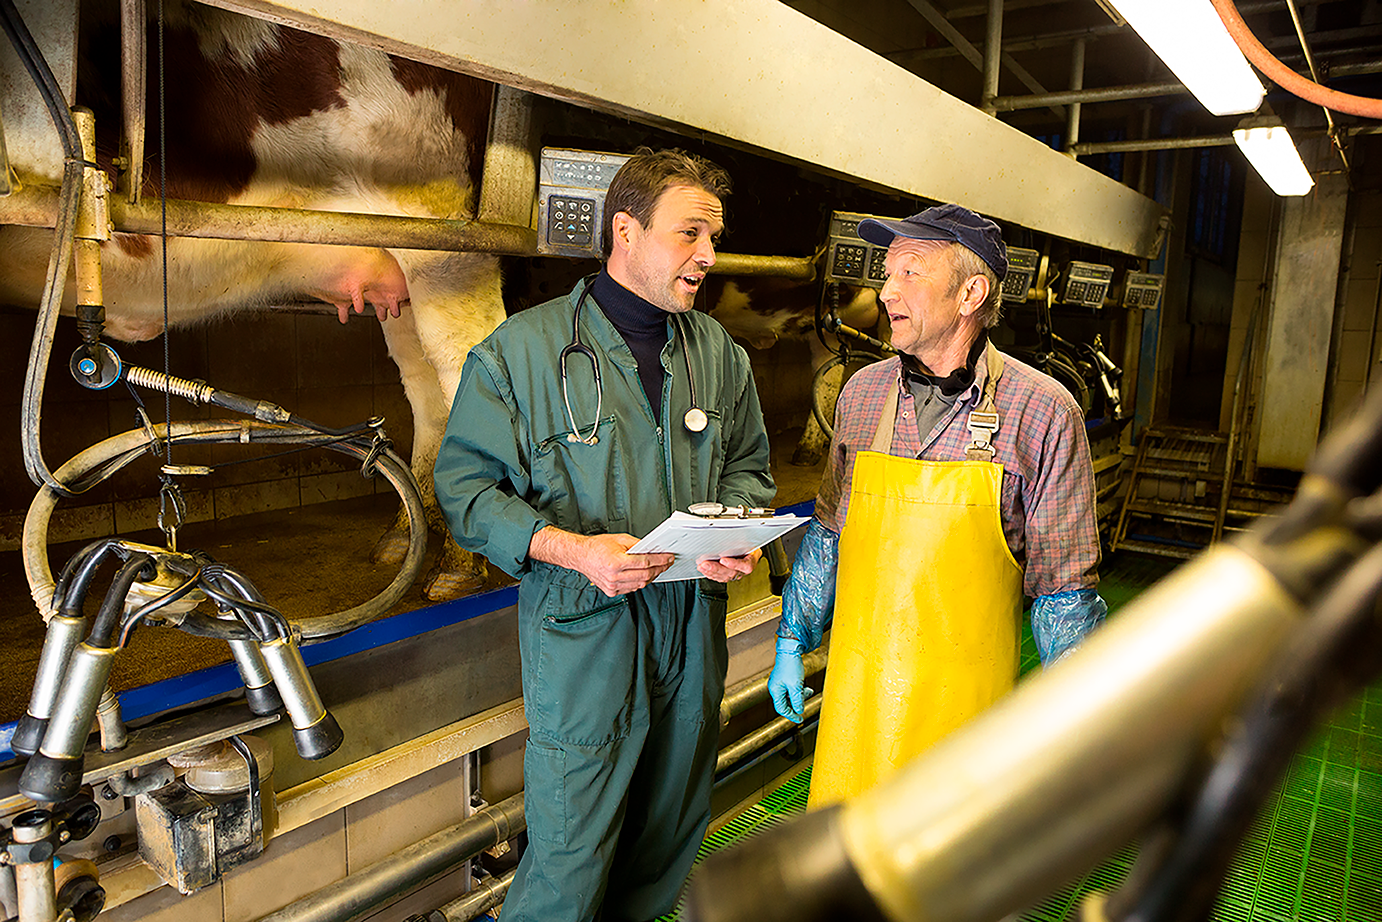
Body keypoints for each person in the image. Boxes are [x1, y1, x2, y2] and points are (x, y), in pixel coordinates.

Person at [434, 148, 775, 922]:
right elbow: (465, 492)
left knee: (665, 835)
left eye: (712, 238)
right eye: (690, 234)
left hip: (690, 627)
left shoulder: (717, 355)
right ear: (626, 230)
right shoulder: (520, 353)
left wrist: (739, 531)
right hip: (586, 633)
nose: (709, 257)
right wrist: (570, 549)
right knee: (570, 855)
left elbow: (748, 467)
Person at [767, 203, 1108, 809]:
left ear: (970, 293)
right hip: (859, 707)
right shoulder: (861, 392)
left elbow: (1064, 593)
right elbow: (828, 534)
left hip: (965, 718)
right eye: (886, 272)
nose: (884, 291)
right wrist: (793, 638)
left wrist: (1077, 722)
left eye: (910, 273)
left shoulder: (1043, 411)